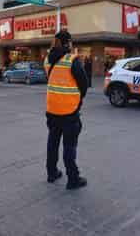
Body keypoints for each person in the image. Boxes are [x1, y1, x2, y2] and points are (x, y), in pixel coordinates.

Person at [44, 31, 89, 190]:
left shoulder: (48, 59)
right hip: (69, 112)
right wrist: (78, 99)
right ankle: (73, 179)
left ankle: (51, 173)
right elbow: (84, 84)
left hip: (52, 110)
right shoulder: (71, 60)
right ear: (68, 43)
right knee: (69, 146)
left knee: (52, 143)